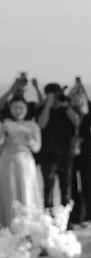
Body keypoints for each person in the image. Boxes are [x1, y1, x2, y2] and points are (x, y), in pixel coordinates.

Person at [0, 95, 42, 226]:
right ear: (10, 109)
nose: (18, 110)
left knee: (27, 189)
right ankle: (9, 223)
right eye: (15, 107)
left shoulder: (33, 125)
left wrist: (29, 139)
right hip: (8, 160)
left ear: (26, 109)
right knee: (9, 189)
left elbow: (37, 148)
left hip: (25, 161)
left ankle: (29, 224)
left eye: (20, 107)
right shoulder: (6, 124)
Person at [36, 84, 75, 210]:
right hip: (47, 155)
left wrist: (65, 106)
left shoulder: (66, 107)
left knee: (66, 187)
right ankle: (48, 216)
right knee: (48, 187)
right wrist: (48, 105)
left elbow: (77, 121)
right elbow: (41, 124)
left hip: (65, 154)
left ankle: (65, 218)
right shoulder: (41, 109)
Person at [66, 80, 91, 227]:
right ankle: (75, 216)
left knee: (88, 186)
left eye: (79, 97)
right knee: (72, 187)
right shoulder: (66, 113)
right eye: (74, 97)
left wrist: (82, 89)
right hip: (70, 155)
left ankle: (90, 216)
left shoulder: (88, 114)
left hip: (87, 154)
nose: (77, 99)